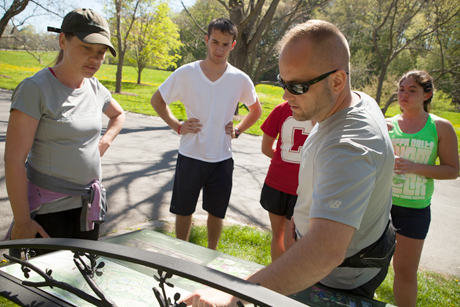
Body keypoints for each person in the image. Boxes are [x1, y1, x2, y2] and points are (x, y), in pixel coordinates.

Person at [181, 19, 396, 307]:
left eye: (297, 86)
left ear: (337, 81)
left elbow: (324, 253)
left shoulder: (348, 145)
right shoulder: (352, 101)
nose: (285, 96)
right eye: (284, 82)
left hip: (341, 277)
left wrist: (235, 296)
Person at [4, 8, 125, 256]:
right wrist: (22, 220)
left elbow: (118, 115)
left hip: (88, 208)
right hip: (50, 211)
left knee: (82, 284)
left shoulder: (95, 87)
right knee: (48, 288)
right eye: (86, 48)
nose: (95, 58)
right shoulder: (35, 89)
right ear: (62, 41)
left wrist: (106, 140)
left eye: (101, 52)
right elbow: (14, 160)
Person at [150, 18, 262, 250]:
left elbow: (256, 110)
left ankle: (211, 255)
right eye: (215, 42)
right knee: (184, 210)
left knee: (216, 212)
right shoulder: (186, 73)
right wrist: (177, 125)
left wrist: (238, 130)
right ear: (206, 40)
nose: (219, 49)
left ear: (232, 45)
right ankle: (182, 252)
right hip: (190, 155)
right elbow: (157, 100)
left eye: (225, 44)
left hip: (221, 158)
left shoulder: (239, 79)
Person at [388, 70, 459, 307]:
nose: (404, 95)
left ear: (427, 94)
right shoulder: (386, 125)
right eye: (401, 89)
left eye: (412, 90)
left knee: (405, 271)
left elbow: (452, 170)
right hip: (380, 205)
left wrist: (415, 167)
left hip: (414, 210)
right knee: (367, 264)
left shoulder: (440, 127)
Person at [260, 102, 315, 261]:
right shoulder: (322, 111)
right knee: (293, 240)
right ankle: (287, 282)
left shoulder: (281, 108)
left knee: (278, 235)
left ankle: (276, 278)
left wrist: (284, 161)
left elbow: (265, 148)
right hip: (303, 188)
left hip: (276, 181)